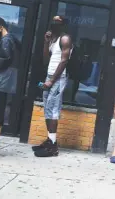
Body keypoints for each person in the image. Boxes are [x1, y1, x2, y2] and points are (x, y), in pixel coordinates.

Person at [32, 16, 72, 157]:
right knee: (48, 109)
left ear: (63, 25)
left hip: (58, 78)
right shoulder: (54, 40)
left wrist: (52, 81)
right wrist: (46, 42)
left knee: (53, 110)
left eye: (58, 22)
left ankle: (53, 147)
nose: (54, 24)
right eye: (53, 21)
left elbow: (64, 61)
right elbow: (45, 60)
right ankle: (50, 140)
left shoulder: (65, 39)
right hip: (49, 77)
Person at [0, 17, 20, 159]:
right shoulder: (11, 40)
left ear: (0, 27)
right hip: (3, 83)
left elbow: (4, 59)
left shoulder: (6, 40)